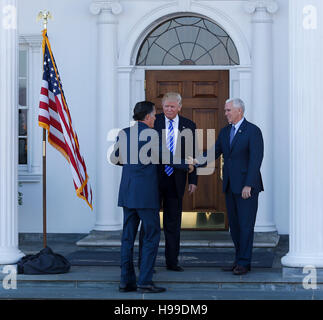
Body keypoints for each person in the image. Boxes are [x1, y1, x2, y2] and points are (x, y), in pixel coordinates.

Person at [111, 101, 193, 293]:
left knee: (127, 238)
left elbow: (115, 159)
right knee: (150, 236)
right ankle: (145, 281)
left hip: (127, 192)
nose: (156, 118)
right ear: (147, 117)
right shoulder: (152, 134)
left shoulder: (123, 133)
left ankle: (126, 281)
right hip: (146, 195)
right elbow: (167, 158)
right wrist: (187, 165)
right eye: (154, 115)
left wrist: (133, 165)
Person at [191, 98, 264, 275]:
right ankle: (239, 259)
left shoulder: (253, 131)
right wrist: (195, 162)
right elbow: (214, 152)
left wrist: (249, 184)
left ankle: (244, 263)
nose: (226, 114)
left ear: (239, 111)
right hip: (230, 186)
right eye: (225, 110)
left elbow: (256, 160)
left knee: (246, 226)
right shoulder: (225, 132)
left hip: (247, 188)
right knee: (235, 226)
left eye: (228, 110)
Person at [140, 92, 198, 272]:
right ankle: (145, 262)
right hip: (153, 180)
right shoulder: (152, 122)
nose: (169, 109)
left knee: (173, 223)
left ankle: (172, 262)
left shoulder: (189, 125)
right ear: (162, 107)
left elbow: (192, 155)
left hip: (177, 180)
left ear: (180, 107)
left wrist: (193, 179)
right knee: (149, 224)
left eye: (173, 106)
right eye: (166, 106)